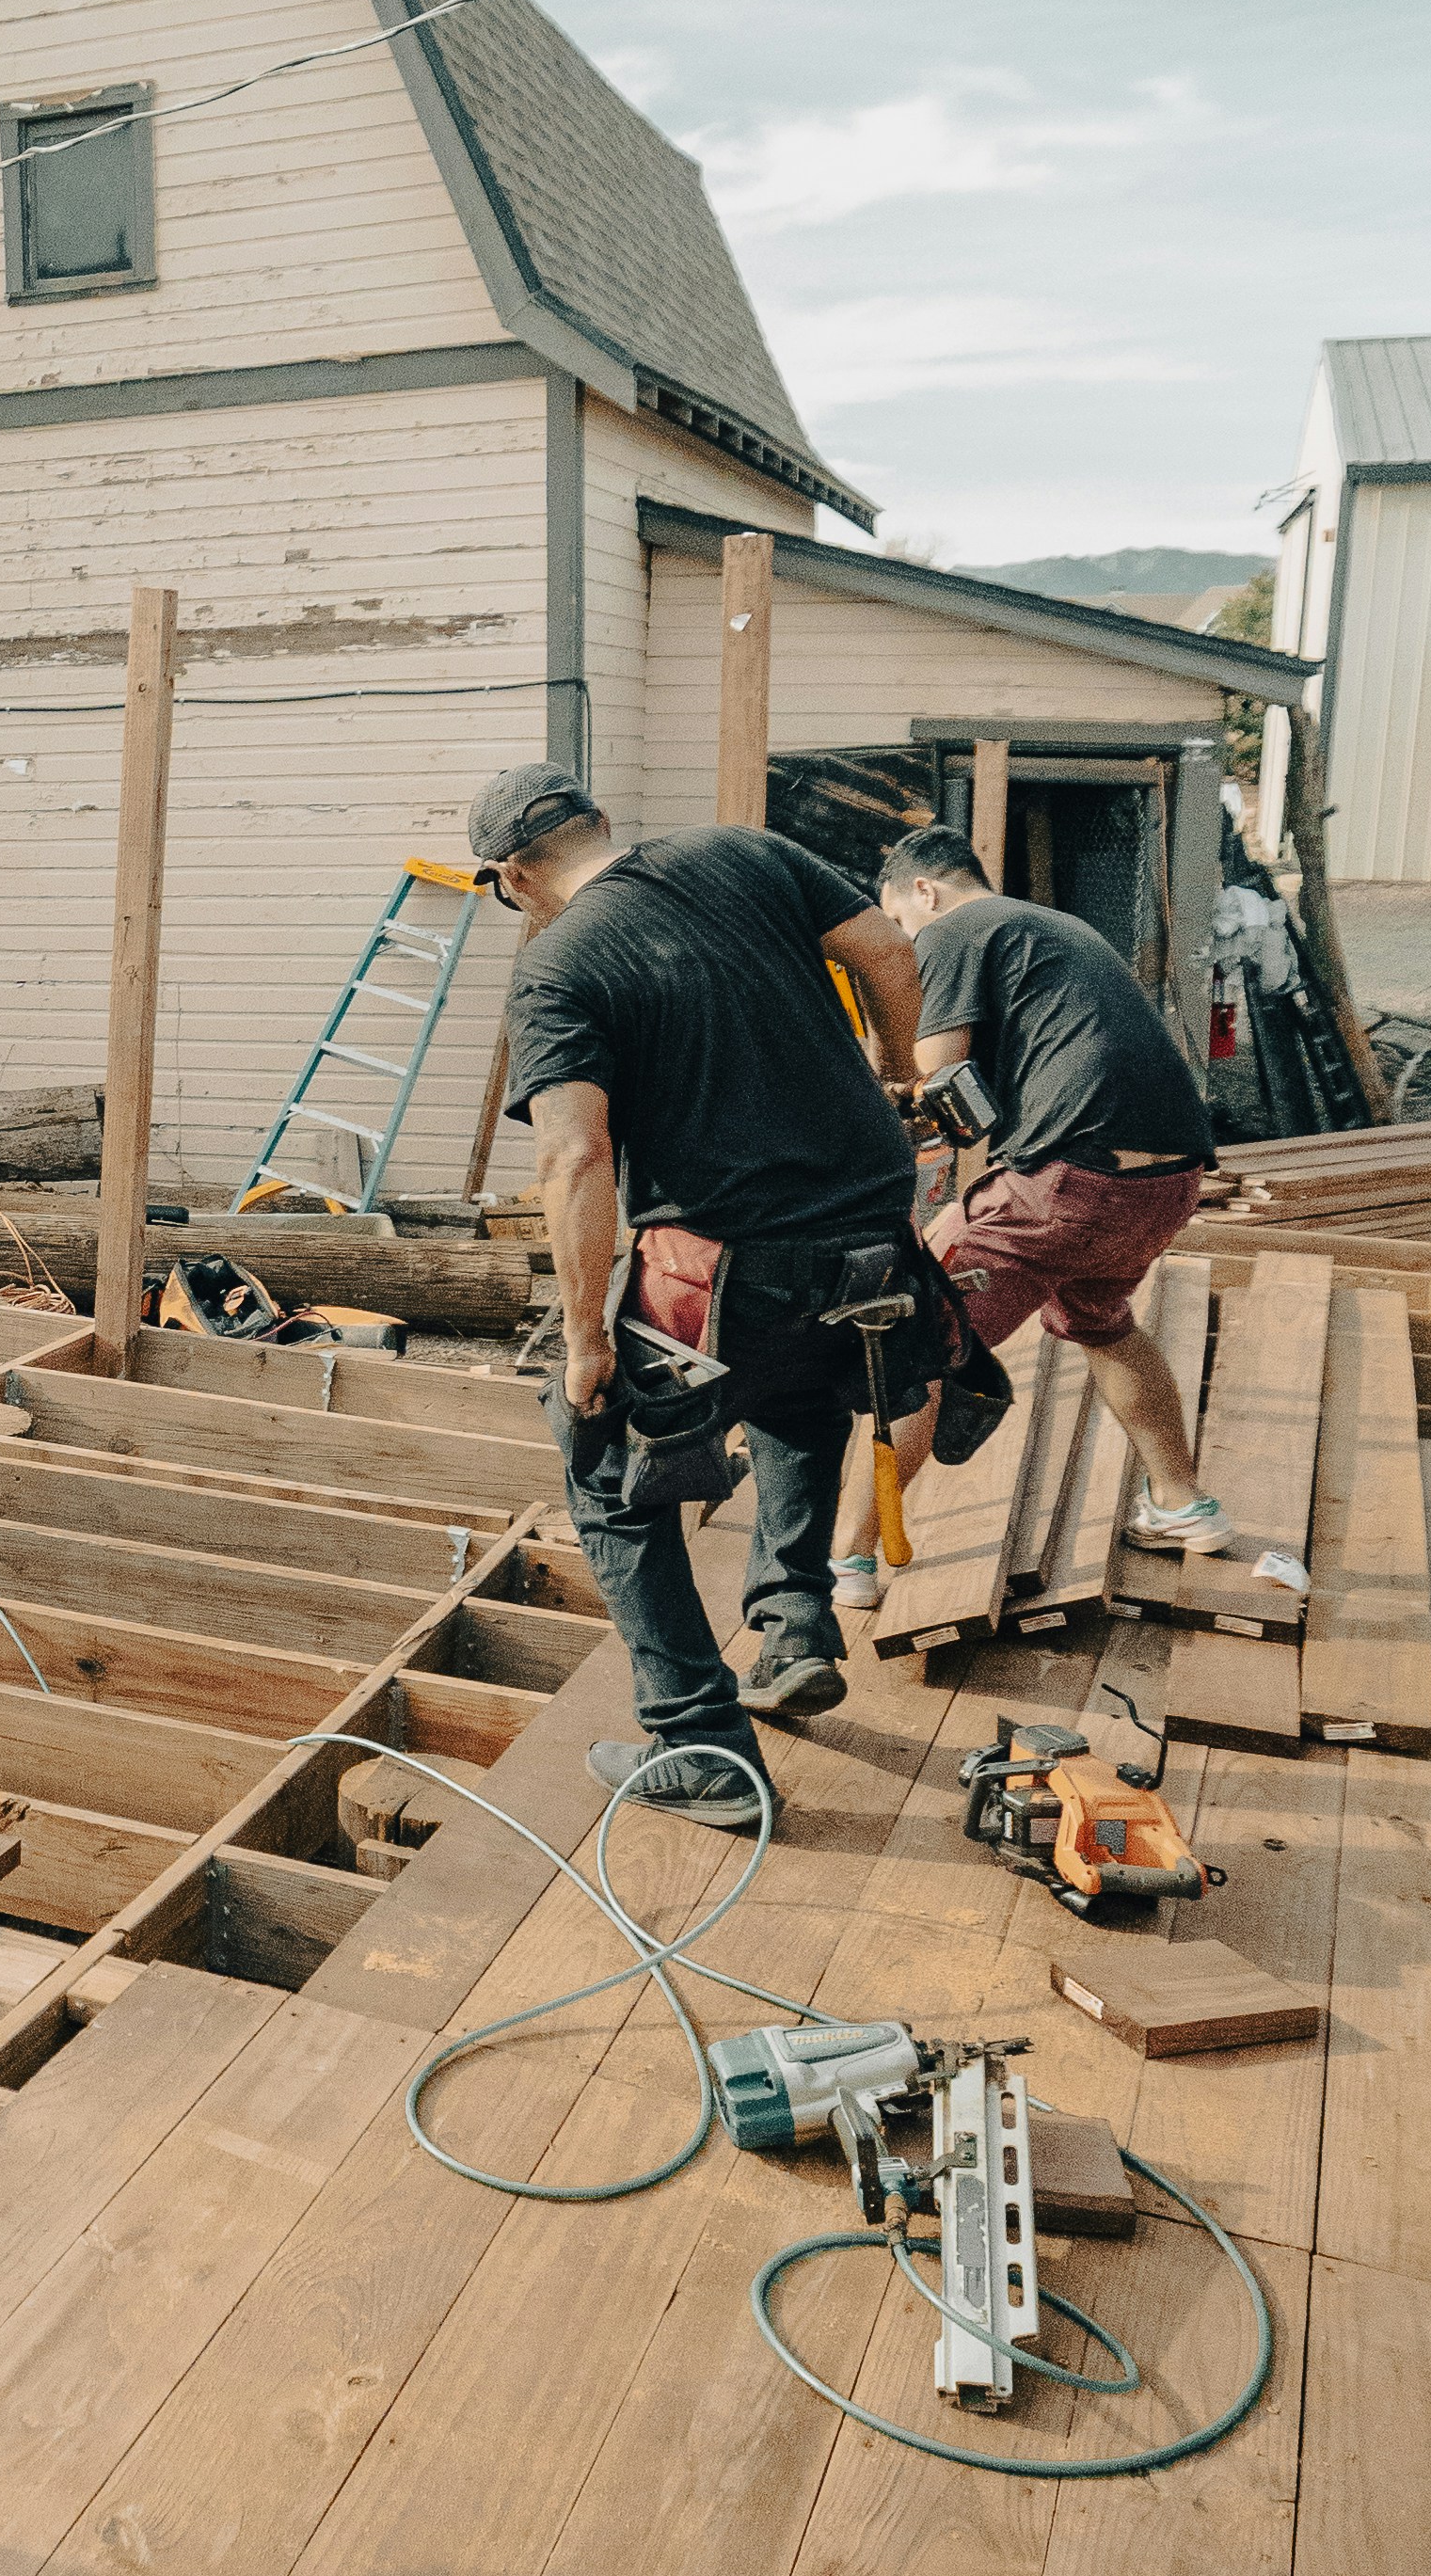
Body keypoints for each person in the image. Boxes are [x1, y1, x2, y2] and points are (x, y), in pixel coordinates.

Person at [477, 759, 957, 1826]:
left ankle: (696, 1744)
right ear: (601, 821)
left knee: (599, 1458)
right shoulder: (739, 848)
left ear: (514, 877)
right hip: (870, 1229)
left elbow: (573, 1157)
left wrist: (587, 1339)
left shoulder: (557, 963)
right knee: (797, 1396)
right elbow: (883, 945)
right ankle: (791, 1630)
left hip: (727, 1255)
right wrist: (893, 1068)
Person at [836, 824, 1222, 1595]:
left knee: (918, 1355)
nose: (908, 945)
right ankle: (1184, 1505)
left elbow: (937, 1066)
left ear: (924, 891)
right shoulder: (1050, 928)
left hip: (1074, 1184)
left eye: (902, 928)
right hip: (1165, 1182)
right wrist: (978, 1201)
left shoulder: (956, 926)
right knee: (1104, 1324)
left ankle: (846, 1558)